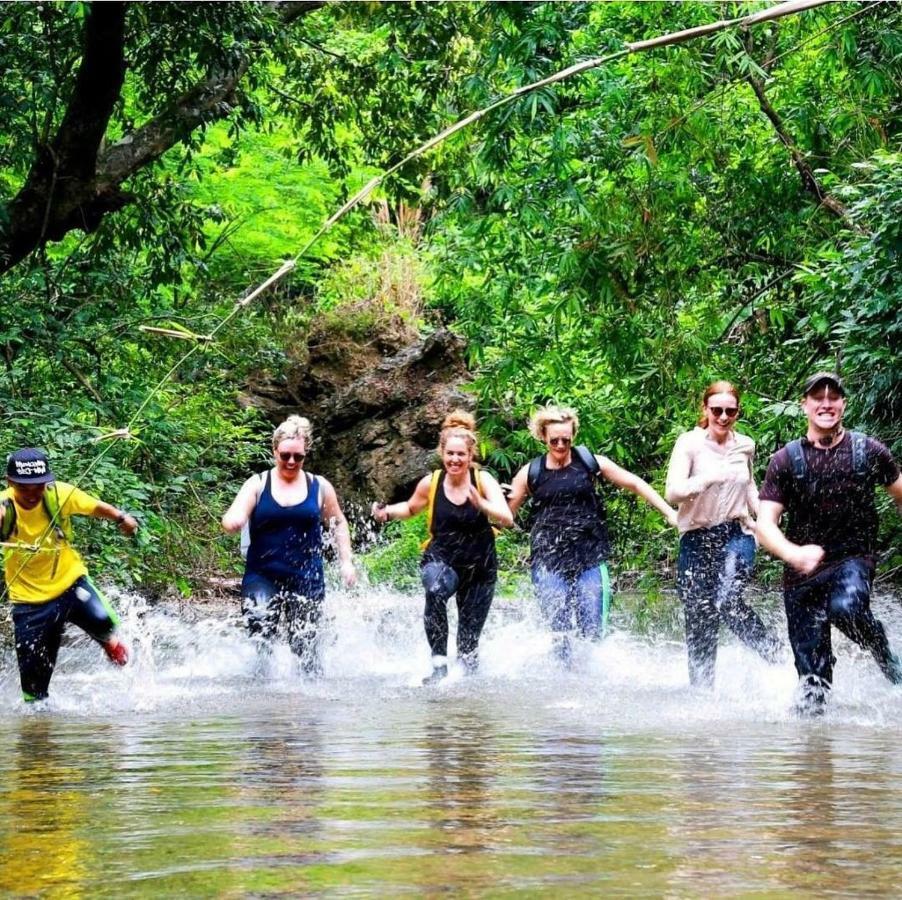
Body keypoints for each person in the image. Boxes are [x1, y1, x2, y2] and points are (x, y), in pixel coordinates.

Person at [757, 372, 902, 714]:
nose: (826, 403)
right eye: (817, 397)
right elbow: (765, 526)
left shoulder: (868, 451)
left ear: (843, 405)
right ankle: (816, 761)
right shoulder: (785, 461)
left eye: (833, 397)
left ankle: (884, 655)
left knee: (846, 608)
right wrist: (792, 552)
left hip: (852, 560)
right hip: (801, 576)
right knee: (812, 691)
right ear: (804, 405)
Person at [507, 405, 678, 665]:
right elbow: (504, 516)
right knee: (560, 634)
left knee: (593, 634)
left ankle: (590, 688)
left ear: (574, 435)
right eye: (555, 440)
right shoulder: (531, 473)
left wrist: (669, 513)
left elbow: (634, 482)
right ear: (543, 436)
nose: (561, 445)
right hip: (549, 560)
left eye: (567, 439)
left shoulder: (590, 462)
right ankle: (563, 684)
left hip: (590, 557)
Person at [371, 411, 512, 684]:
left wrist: (481, 504)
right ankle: (438, 666)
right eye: (450, 454)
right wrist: (386, 512)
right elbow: (412, 507)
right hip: (442, 558)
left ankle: (466, 694)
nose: (455, 460)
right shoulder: (432, 482)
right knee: (434, 591)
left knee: (468, 644)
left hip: (480, 566)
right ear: (442, 453)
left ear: (471, 456)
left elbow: (506, 517)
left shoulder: (484, 482)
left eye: (461, 454)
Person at [665, 381, 782, 687]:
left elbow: (750, 486)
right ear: (705, 409)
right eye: (716, 410)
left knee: (727, 600)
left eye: (730, 411)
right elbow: (672, 492)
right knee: (699, 611)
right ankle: (702, 689)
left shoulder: (745, 444)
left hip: (736, 533)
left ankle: (778, 658)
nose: (723, 417)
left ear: (737, 412)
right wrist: (705, 479)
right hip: (696, 536)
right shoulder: (689, 443)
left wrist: (765, 521)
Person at [222, 415, 356, 674]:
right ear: (274, 451)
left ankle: (308, 706)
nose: (291, 462)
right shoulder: (258, 483)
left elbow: (338, 523)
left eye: (298, 457)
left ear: (306, 453)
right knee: (261, 630)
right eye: (285, 456)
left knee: (305, 647)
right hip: (263, 575)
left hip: (306, 577)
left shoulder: (319, 487)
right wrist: (233, 522)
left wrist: (346, 562)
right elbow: (233, 515)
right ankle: (263, 702)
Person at [0, 448, 138, 702]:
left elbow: (95, 507)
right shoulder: (3, 507)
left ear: (47, 482)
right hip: (28, 602)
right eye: (24, 487)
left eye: (37, 486)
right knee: (33, 690)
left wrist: (121, 518)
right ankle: (38, 735)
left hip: (70, 583)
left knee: (103, 621)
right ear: (10, 483)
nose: (32, 494)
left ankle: (108, 641)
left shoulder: (59, 494)